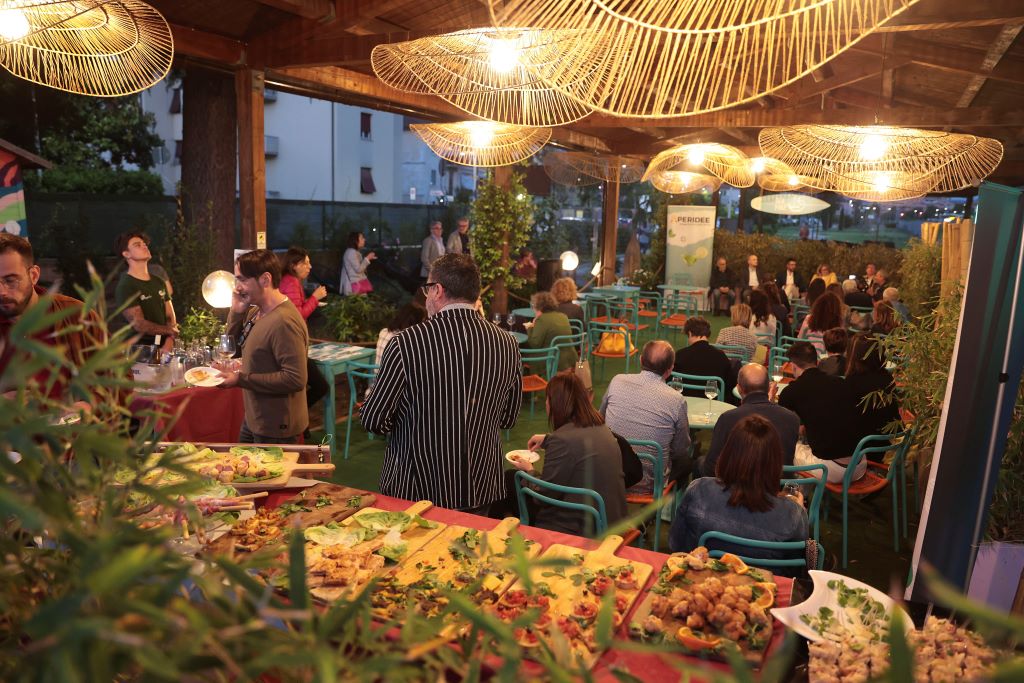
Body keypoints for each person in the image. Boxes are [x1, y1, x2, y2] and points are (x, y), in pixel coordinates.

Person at [361, 254, 522, 514]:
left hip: (416, 487)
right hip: (481, 484)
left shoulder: (405, 343)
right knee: (470, 553)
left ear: (437, 290)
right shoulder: (508, 344)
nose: (426, 297)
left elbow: (374, 420)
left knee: (417, 554)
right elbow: (507, 418)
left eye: (427, 289)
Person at [669, 414, 808, 566]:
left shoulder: (699, 490)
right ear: (775, 462)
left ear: (728, 453)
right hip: (765, 586)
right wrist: (797, 510)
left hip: (703, 583)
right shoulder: (792, 514)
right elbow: (796, 567)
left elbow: (676, 545)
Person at [512, 372, 627, 536]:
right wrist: (548, 440)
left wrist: (528, 470)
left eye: (548, 398)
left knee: (513, 481)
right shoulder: (601, 427)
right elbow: (580, 446)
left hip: (581, 527)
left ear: (555, 403)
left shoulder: (562, 440)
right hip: (612, 519)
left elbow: (542, 495)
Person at [219, 249, 309, 444]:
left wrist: (241, 379)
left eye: (242, 280)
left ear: (265, 280)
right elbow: (229, 349)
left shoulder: (284, 322)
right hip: (255, 418)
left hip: (276, 425)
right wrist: (236, 312)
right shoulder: (256, 312)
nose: (238, 288)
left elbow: (295, 379)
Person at [0, 233, 97, 409]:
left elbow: (118, 379)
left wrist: (90, 406)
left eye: (10, 280)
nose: (2, 292)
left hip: (71, 433)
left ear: (34, 275)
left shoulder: (76, 316)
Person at [600, 340, 691, 493]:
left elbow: (599, 418)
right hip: (649, 484)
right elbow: (680, 449)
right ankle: (663, 511)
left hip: (610, 473)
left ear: (641, 359)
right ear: (670, 370)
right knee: (686, 462)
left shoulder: (617, 381)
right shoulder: (676, 400)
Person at [777, 342, 862, 483]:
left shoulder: (792, 391)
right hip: (860, 463)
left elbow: (780, 426)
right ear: (816, 362)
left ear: (793, 366)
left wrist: (768, 398)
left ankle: (795, 497)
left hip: (832, 469)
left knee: (784, 445)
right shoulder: (839, 382)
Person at [698, 364, 799, 476]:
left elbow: (711, 467)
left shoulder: (728, 419)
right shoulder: (792, 419)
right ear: (769, 387)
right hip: (776, 486)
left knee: (700, 463)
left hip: (737, 487)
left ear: (740, 389)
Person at [279, 247, 331, 436]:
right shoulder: (291, 283)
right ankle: (300, 422)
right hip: (293, 345)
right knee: (320, 386)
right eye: (306, 263)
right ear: (294, 265)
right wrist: (315, 298)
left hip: (295, 344)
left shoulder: (291, 281)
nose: (310, 266)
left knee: (303, 389)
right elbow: (298, 315)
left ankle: (303, 427)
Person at [114, 231, 177, 350]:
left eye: (144, 244)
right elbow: (139, 324)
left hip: (164, 347)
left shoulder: (158, 281)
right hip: (140, 351)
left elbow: (170, 315)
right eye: (137, 245)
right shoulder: (126, 285)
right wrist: (170, 331)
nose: (144, 246)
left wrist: (169, 340)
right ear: (126, 254)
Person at [844, 333, 900, 444]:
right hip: (888, 442)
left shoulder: (852, 382)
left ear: (853, 355)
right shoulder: (887, 378)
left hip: (865, 447)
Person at [674, 316, 733, 400]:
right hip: (713, 404)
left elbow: (671, 384)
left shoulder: (679, 355)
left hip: (685, 401)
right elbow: (729, 385)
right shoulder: (721, 356)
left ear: (690, 333)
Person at [525, 291, 577, 371]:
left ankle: (527, 377)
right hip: (569, 357)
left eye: (533, 305)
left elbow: (535, 344)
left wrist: (529, 327)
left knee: (522, 353)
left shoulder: (542, 319)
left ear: (538, 306)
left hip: (551, 358)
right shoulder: (563, 316)